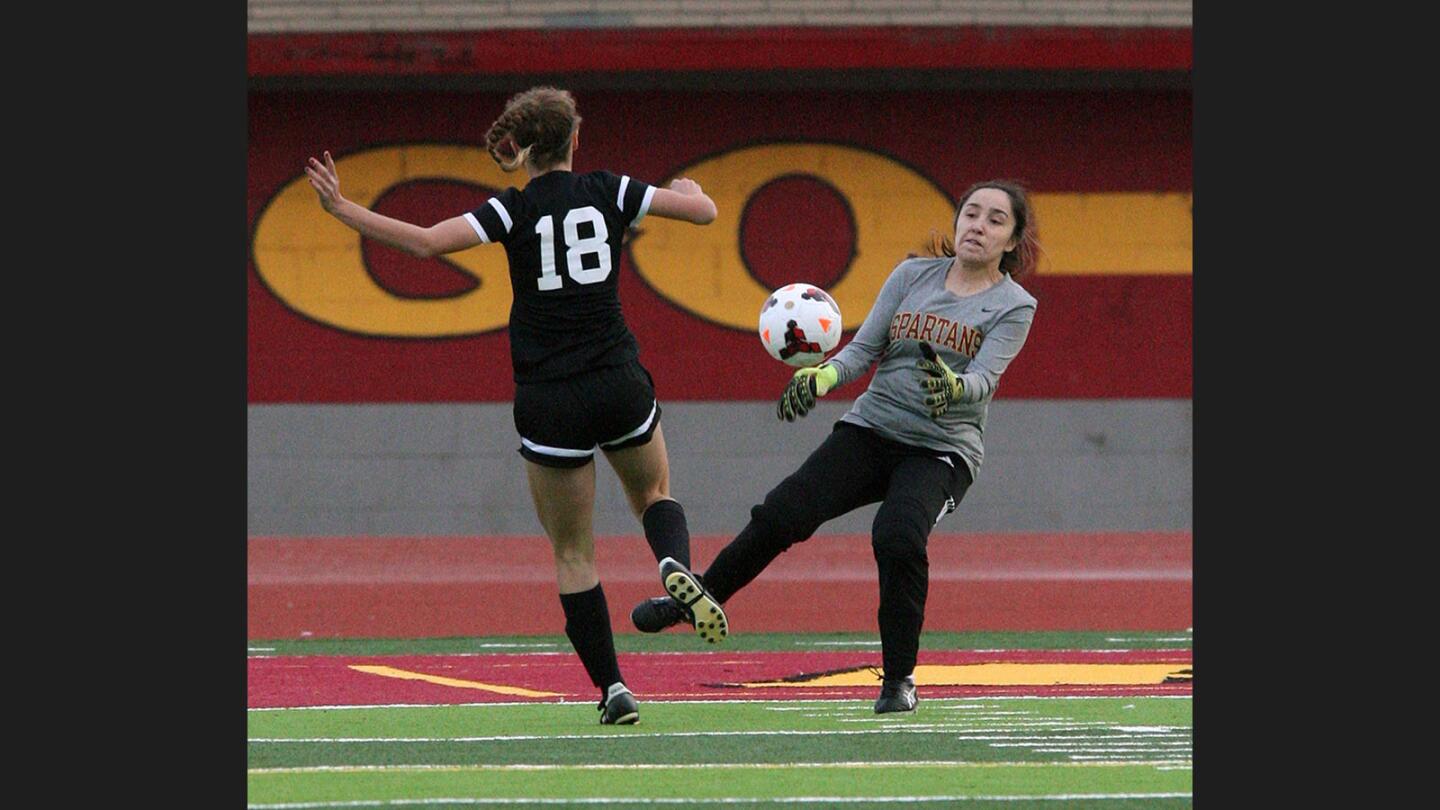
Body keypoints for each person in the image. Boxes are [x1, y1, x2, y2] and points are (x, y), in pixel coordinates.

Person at [304, 86, 720, 725]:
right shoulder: (609, 189)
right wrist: (689, 190)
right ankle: (673, 563)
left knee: (574, 552)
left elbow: (425, 243)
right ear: (574, 141)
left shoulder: (512, 208)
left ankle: (613, 690)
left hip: (549, 396)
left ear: (522, 147)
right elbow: (705, 213)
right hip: (616, 377)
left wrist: (341, 208)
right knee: (655, 492)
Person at [633, 180, 1040, 714]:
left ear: (1012, 239)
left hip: (940, 451)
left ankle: (899, 680)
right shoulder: (912, 274)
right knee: (783, 511)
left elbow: (985, 379)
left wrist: (955, 386)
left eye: (994, 220)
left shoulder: (1014, 305)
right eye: (971, 214)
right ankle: (699, 598)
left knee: (896, 537)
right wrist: (819, 379)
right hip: (871, 429)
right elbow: (864, 350)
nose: (977, 227)